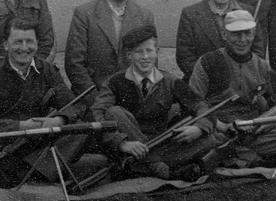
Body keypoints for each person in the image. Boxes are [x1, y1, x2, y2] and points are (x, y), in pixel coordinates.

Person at [0, 17, 89, 188]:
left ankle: (13, 172)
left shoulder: (47, 70)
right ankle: (37, 172)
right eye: (18, 42)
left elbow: (75, 105)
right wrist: (19, 126)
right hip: (2, 140)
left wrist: (58, 120)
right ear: (6, 45)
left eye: (30, 42)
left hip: (39, 140)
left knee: (80, 131)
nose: (25, 48)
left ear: (37, 43)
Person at [92, 25, 222, 180]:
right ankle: (162, 170)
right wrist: (121, 143)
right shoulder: (115, 82)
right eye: (138, 51)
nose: (145, 56)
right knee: (115, 112)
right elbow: (96, 114)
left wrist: (198, 128)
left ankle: (137, 166)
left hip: (161, 143)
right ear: (129, 55)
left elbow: (201, 106)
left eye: (149, 50)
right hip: (128, 146)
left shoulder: (170, 81)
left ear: (157, 52)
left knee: (210, 139)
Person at [189, 10, 276, 168]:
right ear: (224, 34)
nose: (242, 40)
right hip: (219, 128)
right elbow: (192, 101)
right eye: (235, 34)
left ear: (253, 34)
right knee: (200, 136)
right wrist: (220, 125)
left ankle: (238, 156)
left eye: (247, 34)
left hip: (252, 131)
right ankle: (250, 157)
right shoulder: (208, 62)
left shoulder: (262, 66)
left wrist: (265, 124)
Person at [65, 0, 154, 107]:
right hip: (92, 99)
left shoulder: (144, 16)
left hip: (132, 101)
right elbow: (74, 65)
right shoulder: (84, 14)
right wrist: (98, 101)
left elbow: (150, 63)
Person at [175, 0, 264, 83]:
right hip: (204, 86)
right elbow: (184, 58)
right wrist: (212, 81)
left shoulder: (249, 12)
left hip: (243, 84)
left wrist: (241, 78)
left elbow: (258, 53)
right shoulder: (190, 14)